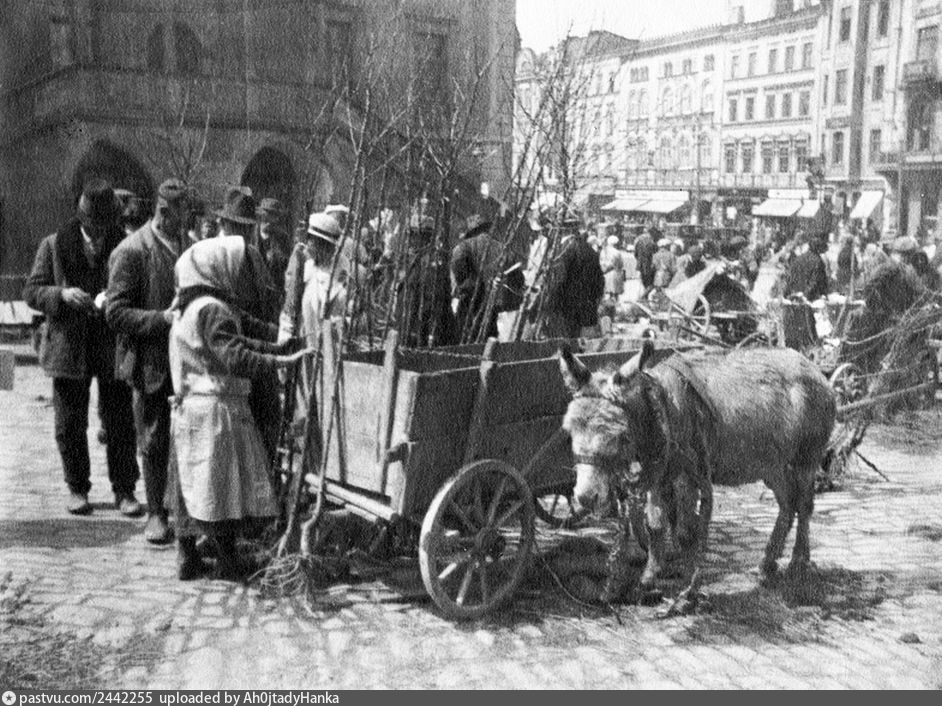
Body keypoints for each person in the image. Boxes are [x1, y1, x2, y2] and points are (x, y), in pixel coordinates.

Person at [168, 236, 312, 580]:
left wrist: (278, 348)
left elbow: (239, 341)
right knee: (222, 488)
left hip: (191, 407)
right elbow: (233, 356)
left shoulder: (191, 306)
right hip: (215, 408)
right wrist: (278, 362)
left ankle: (187, 555)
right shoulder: (213, 309)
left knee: (191, 486)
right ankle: (228, 561)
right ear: (216, 270)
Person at [24, 180, 140, 517]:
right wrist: (61, 294)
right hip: (68, 346)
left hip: (110, 344)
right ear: (83, 220)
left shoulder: (124, 245)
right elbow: (32, 291)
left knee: (120, 420)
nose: (100, 232)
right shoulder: (54, 245)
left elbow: (134, 288)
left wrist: (112, 298)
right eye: (95, 226)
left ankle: (125, 490)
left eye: (106, 225)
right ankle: (77, 487)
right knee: (70, 423)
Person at [107, 179, 191, 543]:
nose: (187, 221)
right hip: (149, 362)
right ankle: (156, 513)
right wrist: (161, 319)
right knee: (154, 438)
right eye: (182, 214)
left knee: (184, 436)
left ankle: (182, 511)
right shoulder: (131, 251)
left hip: (185, 359)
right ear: (164, 212)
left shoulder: (188, 245)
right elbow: (115, 312)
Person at [542, 218, 604, 338]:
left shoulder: (562, 250)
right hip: (584, 305)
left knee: (561, 338)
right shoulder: (590, 250)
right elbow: (599, 281)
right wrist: (594, 302)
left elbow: (559, 280)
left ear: (563, 229)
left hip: (564, 305)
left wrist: (549, 304)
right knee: (575, 337)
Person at [450, 215, 504, 341]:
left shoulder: (463, 247)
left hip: (470, 301)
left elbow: (458, 272)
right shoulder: (500, 247)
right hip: (492, 302)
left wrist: (461, 289)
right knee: (487, 339)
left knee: (464, 338)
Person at [256, 197, 291, 298]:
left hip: (274, 293)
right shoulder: (251, 234)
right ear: (260, 216)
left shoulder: (282, 238)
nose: (269, 221)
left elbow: (286, 266)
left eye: (273, 216)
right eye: (266, 217)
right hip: (253, 291)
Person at [784, 235, 829, 301]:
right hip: (810, 298)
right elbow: (817, 281)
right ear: (819, 249)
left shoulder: (798, 259)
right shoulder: (818, 262)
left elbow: (790, 278)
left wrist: (787, 293)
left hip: (795, 295)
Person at [634, 227, 657, 296]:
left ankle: (644, 293)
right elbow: (655, 252)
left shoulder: (638, 240)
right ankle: (645, 294)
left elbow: (635, 253)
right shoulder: (652, 241)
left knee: (643, 279)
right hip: (649, 263)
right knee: (650, 281)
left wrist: (639, 260)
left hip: (641, 263)